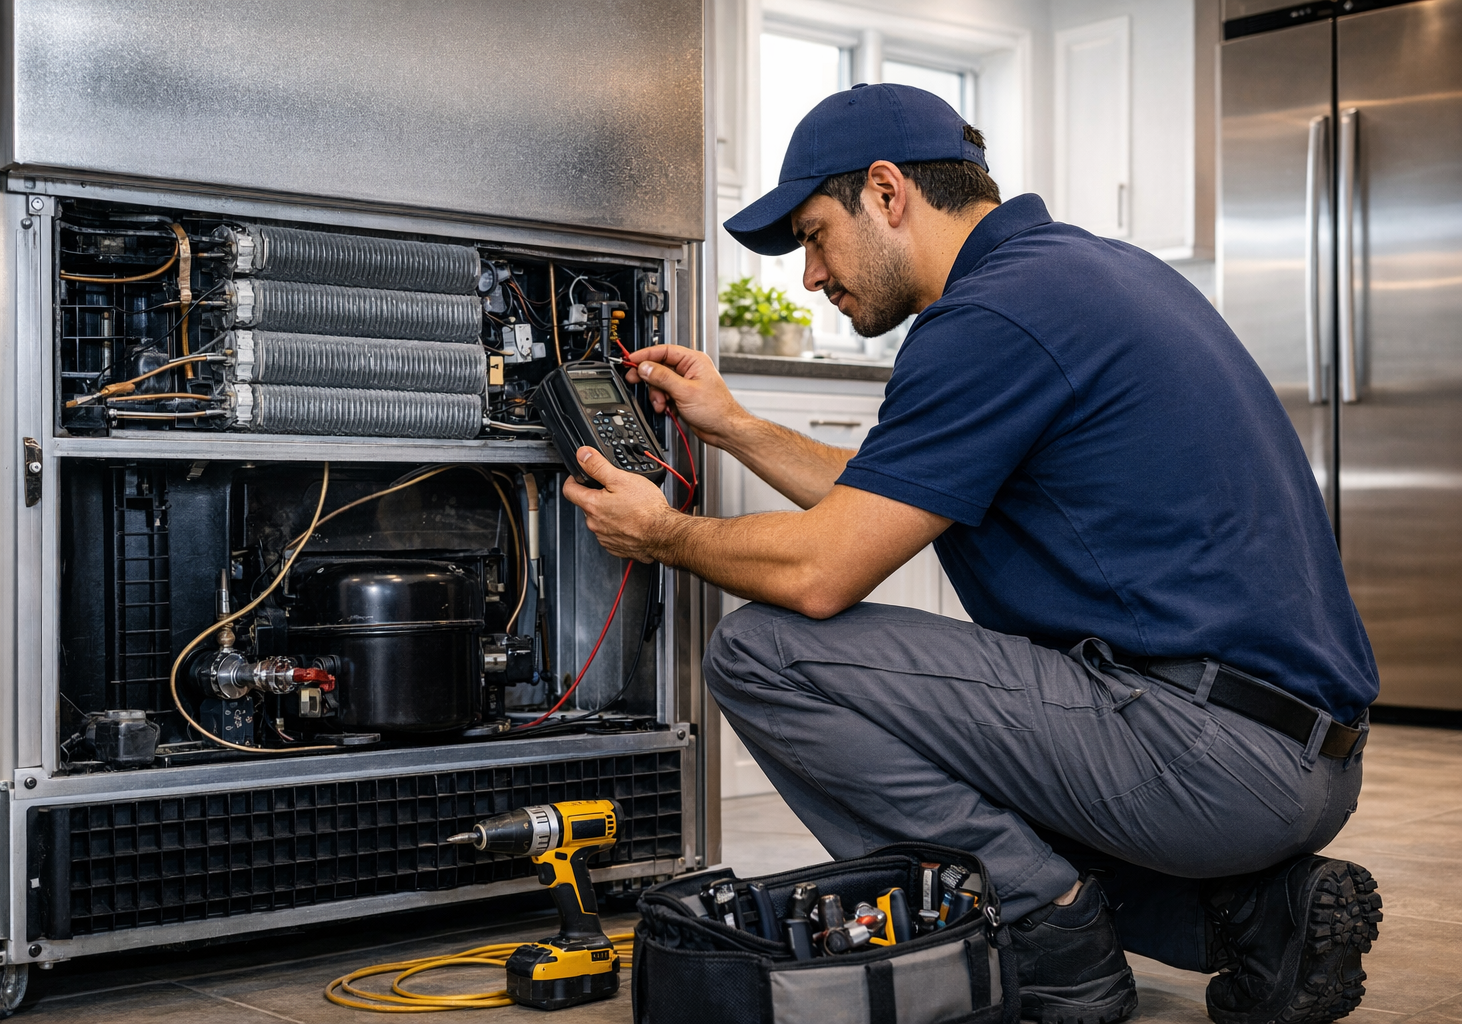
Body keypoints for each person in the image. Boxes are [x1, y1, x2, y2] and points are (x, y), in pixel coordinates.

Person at [562, 84, 1382, 1024]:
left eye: (815, 235)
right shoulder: (1078, 273)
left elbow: (823, 570)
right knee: (969, 727)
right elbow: (883, 501)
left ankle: (1043, 936)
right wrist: (734, 426)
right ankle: (1251, 918)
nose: (811, 278)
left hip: (1205, 757)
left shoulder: (989, 319)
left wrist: (660, 532)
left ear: (885, 192)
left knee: (764, 653)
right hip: (1301, 760)